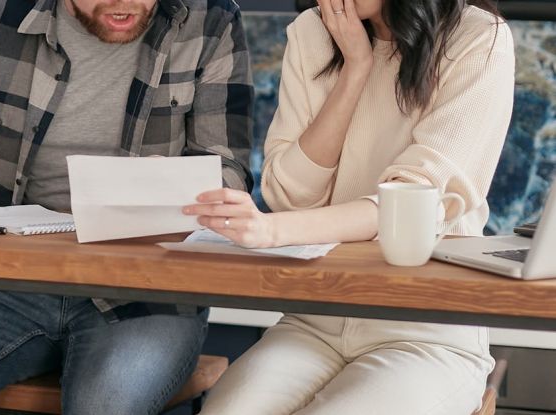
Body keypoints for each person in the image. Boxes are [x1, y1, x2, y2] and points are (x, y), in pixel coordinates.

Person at [0, 0, 253, 412]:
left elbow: (230, 174)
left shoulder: (211, 21)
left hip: (149, 292)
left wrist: (165, 186)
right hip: (13, 281)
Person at [183, 0, 514, 413]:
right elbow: (290, 195)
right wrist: (355, 68)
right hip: (315, 318)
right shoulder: (313, 31)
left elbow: (411, 203)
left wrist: (270, 230)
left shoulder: (479, 38)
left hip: (428, 330)